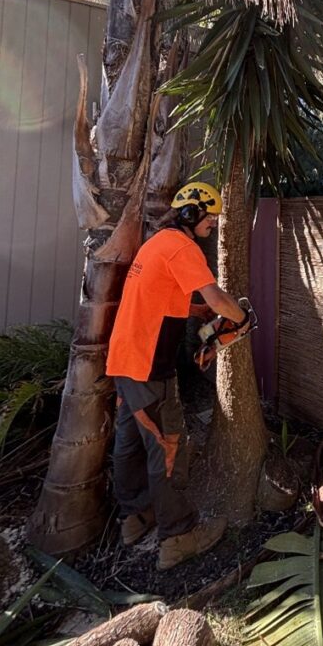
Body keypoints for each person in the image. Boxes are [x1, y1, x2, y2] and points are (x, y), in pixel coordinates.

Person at [106, 181, 249, 571]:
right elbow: (218, 297)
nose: (214, 226)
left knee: (131, 442)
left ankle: (135, 520)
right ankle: (178, 536)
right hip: (150, 366)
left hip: (124, 359)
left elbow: (161, 296)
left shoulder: (157, 243)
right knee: (169, 446)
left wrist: (197, 313)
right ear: (192, 212)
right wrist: (241, 318)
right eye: (211, 218)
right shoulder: (183, 247)